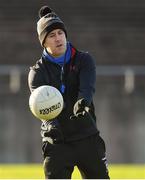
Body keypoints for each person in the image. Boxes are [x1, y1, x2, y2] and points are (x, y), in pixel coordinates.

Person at [28, 5, 110, 179]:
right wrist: (53, 125)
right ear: (43, 41)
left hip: (86, 136)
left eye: (60, 33)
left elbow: (87, 87)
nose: (58, 38)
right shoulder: (37, 72)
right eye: (51, 35)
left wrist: (83, 102)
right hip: (57, 142)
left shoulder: (84, 60)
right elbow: (41, 108)